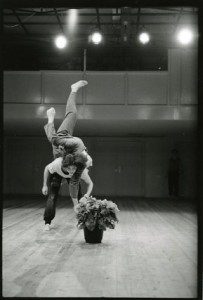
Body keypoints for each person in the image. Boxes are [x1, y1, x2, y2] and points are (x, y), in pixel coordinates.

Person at [44, 80, 89, 206]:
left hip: (61, 150)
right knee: (73, 114)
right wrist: (51, 121)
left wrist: (75, 204)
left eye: (69, 171)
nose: (70, 174)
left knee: (55, 145)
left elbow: (74, 183)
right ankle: (73, 89)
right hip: (64, 138)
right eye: (70, 171)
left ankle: (50, 119)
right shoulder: (77, 146)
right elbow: (54, 138)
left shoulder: (61, 161)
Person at [42, 153, 93, 231]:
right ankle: (47, 222)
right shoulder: (57, 164)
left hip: (72, 178)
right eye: (69, 168)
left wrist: (86, 196)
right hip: (57, 174)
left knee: (79, 195)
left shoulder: (79, 170)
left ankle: (82, 221)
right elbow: (46, 168)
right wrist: (44, 185)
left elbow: (90, 183)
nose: (72, 171)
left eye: (74, 168)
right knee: (52, 196)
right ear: (65, 166)